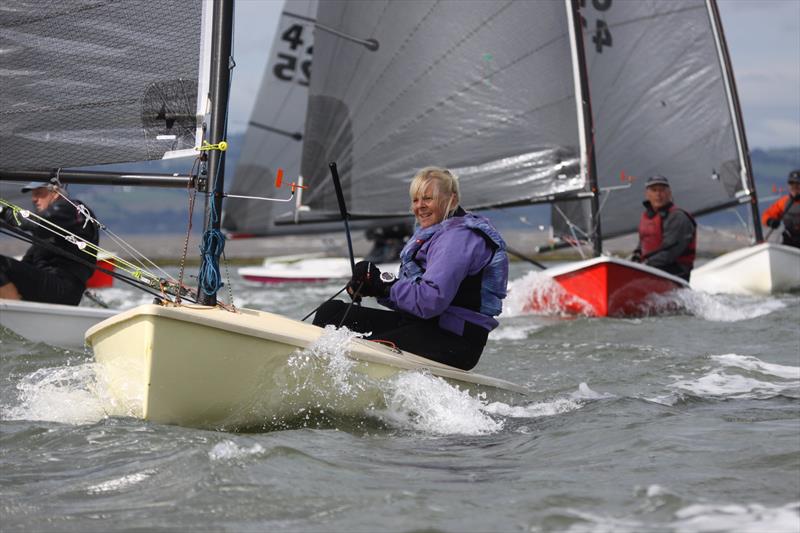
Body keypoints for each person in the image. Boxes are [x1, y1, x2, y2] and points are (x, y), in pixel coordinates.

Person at [313, 167, 509, 371]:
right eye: (415, 200)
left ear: (452, 200)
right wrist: (375, 287)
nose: (420, 207)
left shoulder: (459, 239)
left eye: (428, 198)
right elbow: (413, 302)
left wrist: (386, 284)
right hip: (423, 326)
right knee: (331, 314)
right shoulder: (436, 233)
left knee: (364, 348)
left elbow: (429, 301)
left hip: (454, 342)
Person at [0, 181, 99, 305]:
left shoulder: (70, 208)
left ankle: (13, 314)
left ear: (55, 192)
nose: (34, 199)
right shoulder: (53, 226)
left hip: (64, 287)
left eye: (39, 193)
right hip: (51, 285)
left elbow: (39, 223)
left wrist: (3, 212)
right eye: (33, 195)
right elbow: (27, 263)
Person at [631, 175, 697, 281]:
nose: (658, 194)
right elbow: (641, 246)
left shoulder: (678, 217)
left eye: (662, 190)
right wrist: (634, 260)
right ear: (647, 194)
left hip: (675, 274)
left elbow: (670, 252)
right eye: (654, 190)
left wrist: (644, 265)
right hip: (649, 271)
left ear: (669, 193)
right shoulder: (647, 217)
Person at [761, 169, 800, 248]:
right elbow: (766, 215)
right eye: (791, 183)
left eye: (797, 184)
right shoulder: (783, 202)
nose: (794, 187)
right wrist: (770, 221)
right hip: (789, 243)